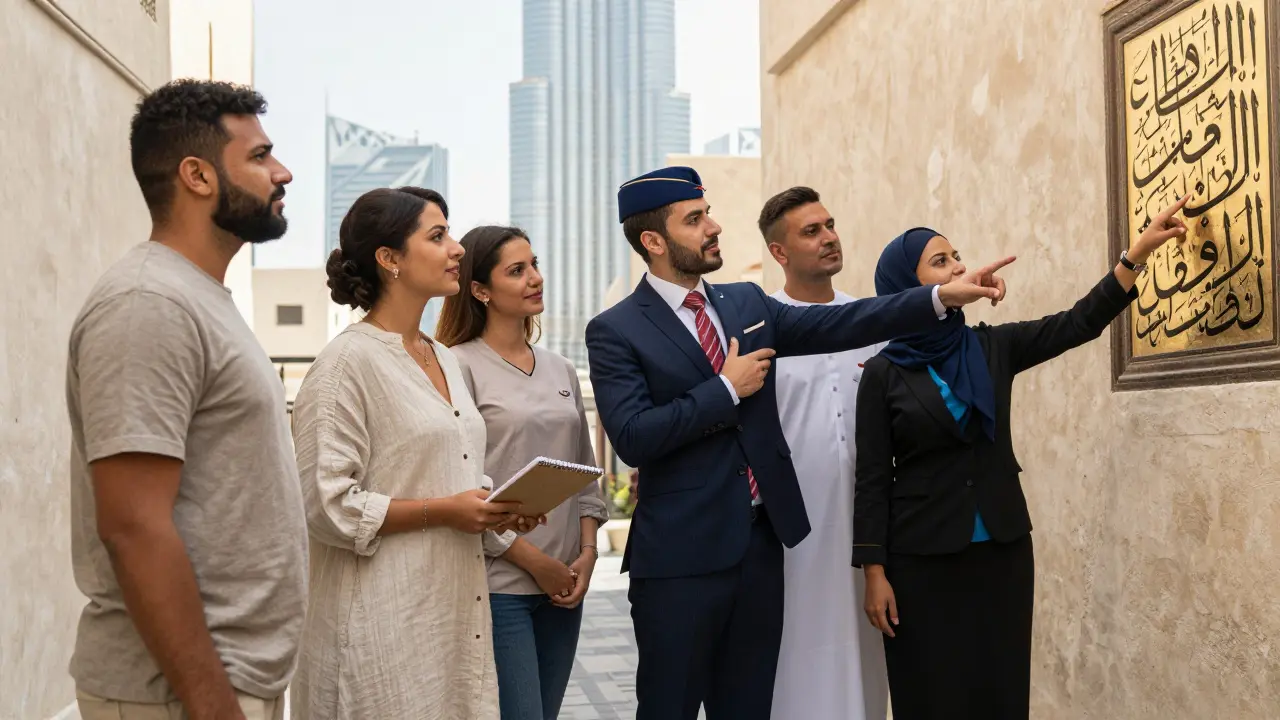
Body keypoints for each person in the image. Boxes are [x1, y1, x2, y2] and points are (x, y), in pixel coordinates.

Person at [585, 165, 1010, 720]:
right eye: (695, 220)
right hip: (680, 564)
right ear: (653, 241)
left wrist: (937, 297)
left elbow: (848, 321)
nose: (713, 227)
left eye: (707, 213)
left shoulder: (744, 303)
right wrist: (723, 390)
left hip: (762, 551)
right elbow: (633, 436)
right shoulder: (616, 329)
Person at [853, 195, 1190, 719]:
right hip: (921, 560)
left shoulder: (992, 348)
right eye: (941, 262)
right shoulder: (883, 373)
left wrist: (1136, 253)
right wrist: (874, 572)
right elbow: (872, 477)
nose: (959, 266)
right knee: (931, 692)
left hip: (1003, 551)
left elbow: (1078, 322)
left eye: (956, 256)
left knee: (1000, 689)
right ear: (908, 287)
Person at [65, 79, 305, 720]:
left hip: (226, 683)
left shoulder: (198, 298)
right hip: (180, 693)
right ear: (198, 176)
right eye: (258, 157)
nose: (283, 172)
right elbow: (133, 525)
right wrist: (210, 700)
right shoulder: (149, 304)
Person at [289, 187, 540, 720]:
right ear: (389, 259)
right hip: (379, 630)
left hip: (450, 620)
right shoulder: (344, 366)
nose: (456, 249)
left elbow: (457, 473)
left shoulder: (443, 358)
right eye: (437, 235)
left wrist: (500, 511)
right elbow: (324, 505)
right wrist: (445, 511)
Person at [437, 225, 610, 720]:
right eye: (517, 270)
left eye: (534, 264)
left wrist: (588, 555)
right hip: (499, 587)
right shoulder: (456, 366)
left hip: (565, 585)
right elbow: (458, 486)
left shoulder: (560, 369)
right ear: (480, 290)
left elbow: (585, 475)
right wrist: (534, 561)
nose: (535, 278)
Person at [757, 187, 889, 720]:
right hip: (792, 536)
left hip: (871, 530)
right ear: (779, 252)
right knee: (795, 659)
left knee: (869, 657)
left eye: (830, 224)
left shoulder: (873, 321)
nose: (830, 237)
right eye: (811, 231)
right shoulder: (759, 327)